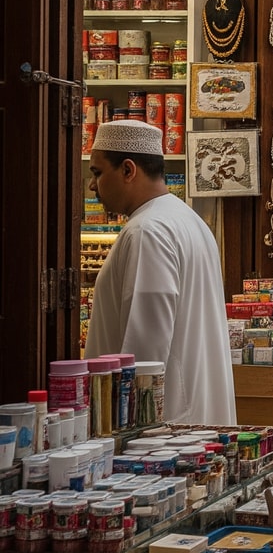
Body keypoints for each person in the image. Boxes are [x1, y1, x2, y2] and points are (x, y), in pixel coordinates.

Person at [84, 120, 235, 425]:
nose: (92, 186)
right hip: (191, 423)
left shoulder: (147, 231)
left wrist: (131, 428)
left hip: (161, 435)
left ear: (128, 170)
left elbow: (145, 354)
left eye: (97, 173)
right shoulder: (187, 221)